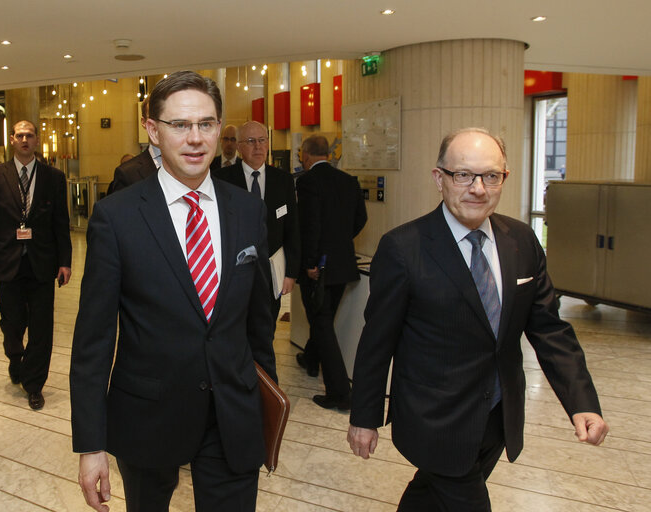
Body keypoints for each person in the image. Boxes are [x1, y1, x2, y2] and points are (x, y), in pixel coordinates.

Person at [347, 128, 609, 511]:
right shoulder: (404, 248)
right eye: (463, 175)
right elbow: (377, 340)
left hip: (498, 415)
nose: (478, 189)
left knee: (430, 496)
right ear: (440, 179)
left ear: (504, 178)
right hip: (435, 419)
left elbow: (550, 329)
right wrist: (364, 417)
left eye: (491, 176)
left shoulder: (521, 241)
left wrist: (581, 401)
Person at [70, 71, 277, 512]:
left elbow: (259, 322)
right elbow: (93, 341)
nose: (195, 138)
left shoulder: (247, 210)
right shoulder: (117, 218)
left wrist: (265, 406)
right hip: (149, 415)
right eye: (180, 125)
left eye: (206, 124)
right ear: (152, 130)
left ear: (220, 129)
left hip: (232, 414)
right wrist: (91, 445)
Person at [0, 120, 72, 411]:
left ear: (37, 140)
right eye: (20, 135)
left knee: (42, 327)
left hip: (42, 263)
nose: (25, 140)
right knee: (12, 322)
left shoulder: (53, 177)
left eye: (30, 135)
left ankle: (34, 384)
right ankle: (15, 356)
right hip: (8, 262)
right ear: (12, 139)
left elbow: (61, 223)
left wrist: (65, 262)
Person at [295, 134, 367, 409]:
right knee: (323, 320)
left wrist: (310, 263)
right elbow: (361, 218)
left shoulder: (308, 181)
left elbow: (310, 224)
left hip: (319, 268)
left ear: (307, 155)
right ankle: (311, 360)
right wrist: (340, 242)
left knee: (322, 324)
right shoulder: (348, 181)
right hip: (342, 265)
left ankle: (339, 393)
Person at [215, 120, 300, 322]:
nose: (258, 146)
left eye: (262, 140)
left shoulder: (283, 180)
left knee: (267, 325)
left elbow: (292, 229)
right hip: (234, 272)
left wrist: (290, 273)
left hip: (272, 272)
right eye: (251, 141)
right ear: (239, 145)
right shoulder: (221, 179)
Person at [107, 100, 161, 195]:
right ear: (144, 123)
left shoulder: (191, 165)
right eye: (153, 117)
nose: (160, 123)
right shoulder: (127, 173)